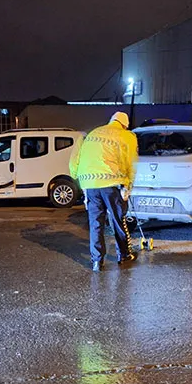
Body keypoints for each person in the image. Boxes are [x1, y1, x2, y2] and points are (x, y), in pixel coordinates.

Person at [69, 112, 139, 271]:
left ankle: (97, 261)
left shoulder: (94, 133)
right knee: (118, 220)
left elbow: (75, 159)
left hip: (90, 185)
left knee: (95, 224)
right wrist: (128, 186)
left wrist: (79, 179)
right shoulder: (127, 135)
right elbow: (130, 163)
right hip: (112, 185)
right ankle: (124, 254)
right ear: (124, 124)